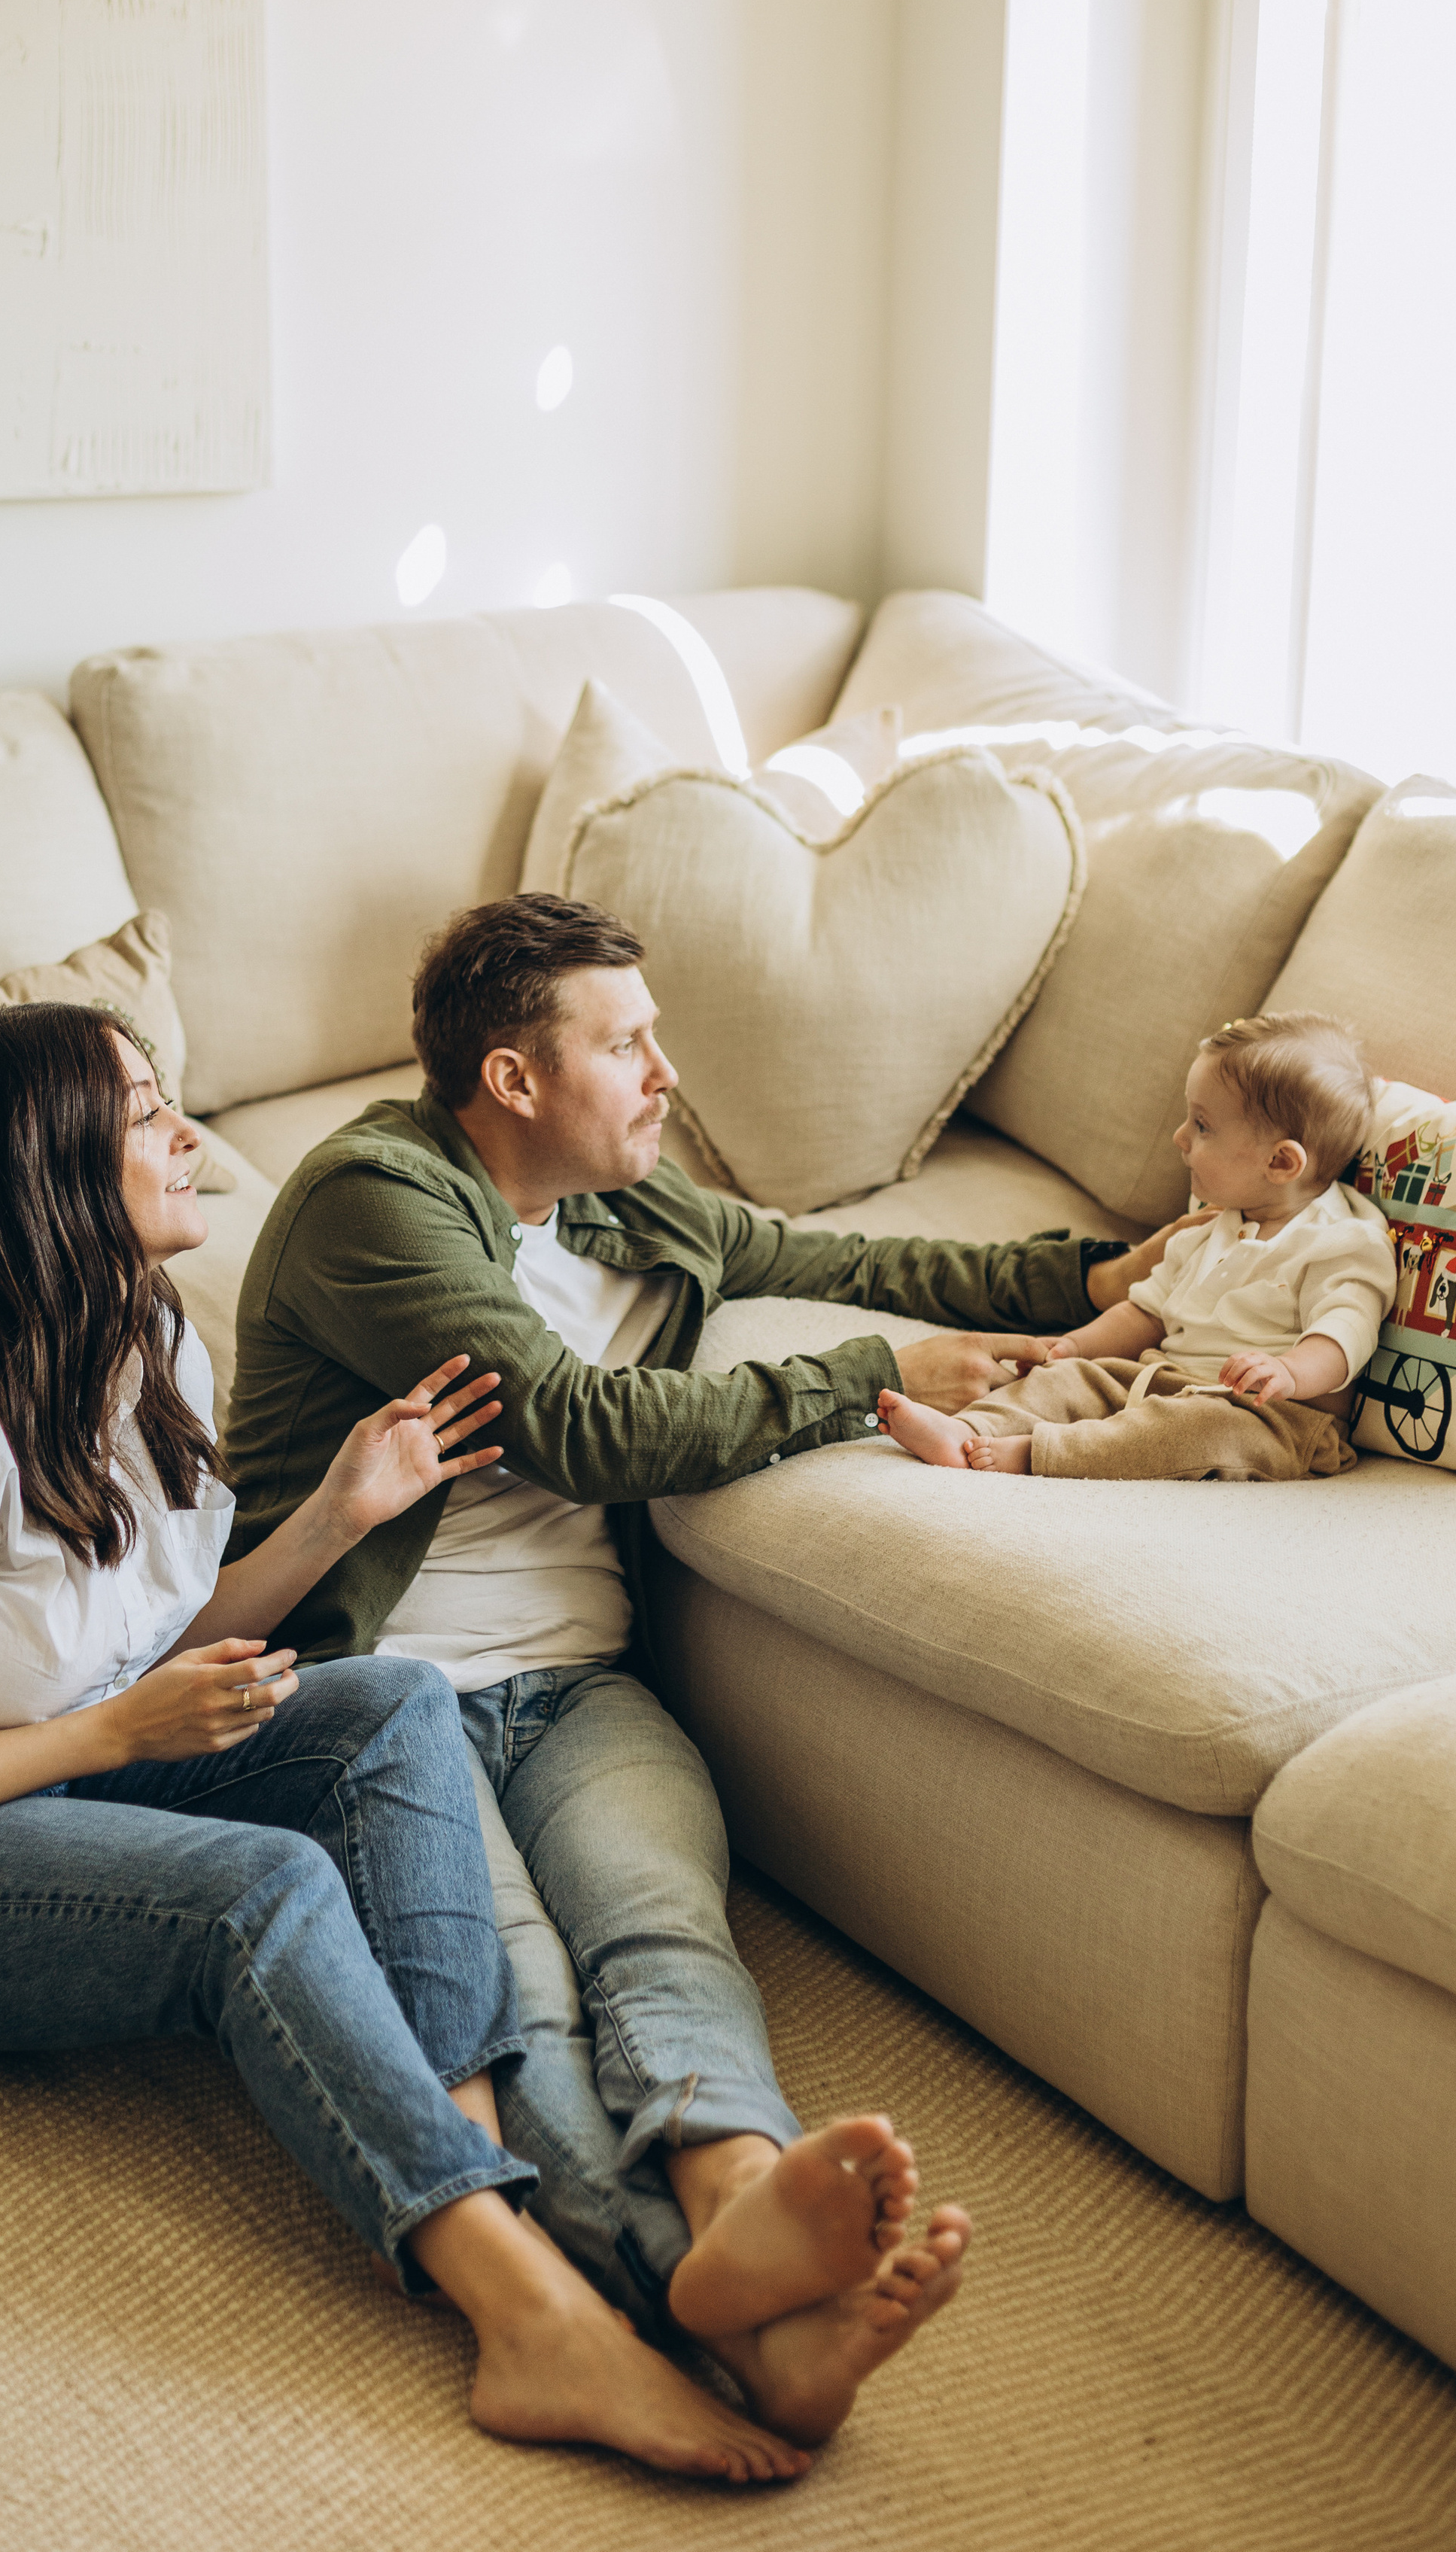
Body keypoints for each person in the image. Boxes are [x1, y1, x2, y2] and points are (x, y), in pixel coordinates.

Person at [0, 1003, 817, 2487]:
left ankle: (488, 2175)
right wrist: (110, 1736)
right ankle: (526, 2309)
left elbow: (144, 1632)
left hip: (22, 1755)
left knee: (389, 1700)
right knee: (256, 1891)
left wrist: (340, 1514)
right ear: (47, 1168)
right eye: (148, 1118)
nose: (191, 1141)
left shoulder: (135, 1334)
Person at [221, 895, 1196, 2441]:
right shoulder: (374, 1199)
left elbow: (842, 1258)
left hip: (578, 1682)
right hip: (383, 1703)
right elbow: (578, 1430)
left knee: (662, 1931)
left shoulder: (624, 1206)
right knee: (518, 1990)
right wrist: (859, 1379)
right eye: (622, 1044)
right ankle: (709, 2305)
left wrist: (1096, 1280)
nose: (664, 1071)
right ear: (512, 1081)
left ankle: (739, 2192)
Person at [880, 1011, 1396, 1479]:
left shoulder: (1343, 1242)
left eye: (1202, 1125)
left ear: (1281, 1164)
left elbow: (1343, 1332)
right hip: (1153, 1376)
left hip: (1271, 1418)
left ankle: (1039, 1454)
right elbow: (1146, 1312)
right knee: (1071, 1380)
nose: (1179, 1138)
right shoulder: (1210, 1228)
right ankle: (970, 1430)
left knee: (1190, 1431)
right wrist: (1073, 1347)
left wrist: (1288, 1370)